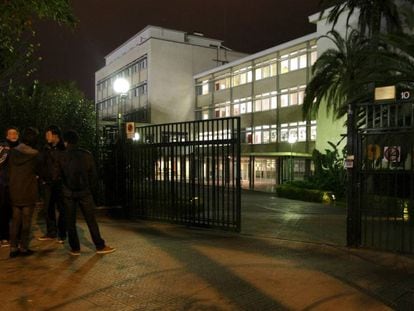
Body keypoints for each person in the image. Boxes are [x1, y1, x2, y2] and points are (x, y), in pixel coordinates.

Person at [59, 130, 115, 255]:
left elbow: (57, 175)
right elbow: (93, 176)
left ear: (66, 141)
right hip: (84, 192)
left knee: (70, 222)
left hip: (68, 193)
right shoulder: (86, 155)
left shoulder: (61, 156)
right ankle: (99, 245)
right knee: (91, 220)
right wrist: (93, 191)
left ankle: (75, 248)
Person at [8, 127, 40, 257]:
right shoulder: (35, 155)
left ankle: (13, 248)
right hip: (28, 190)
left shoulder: (12, 152)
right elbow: (38, 172)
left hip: (14, 190)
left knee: (15, 221)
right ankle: (23, 248)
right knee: (26, 221)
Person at [38, 125, 66, 243]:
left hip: (60, 183)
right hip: (48, 183)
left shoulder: (63, 149)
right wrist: (42, 178)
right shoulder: (45, 149)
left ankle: (62, 233)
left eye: (48, 134)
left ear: (56, 136)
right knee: (48, 208)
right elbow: (41, 165)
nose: (46, 137)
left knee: (62, 209)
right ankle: (51, 232)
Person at [0, 127, 19, 247]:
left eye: (15, 133)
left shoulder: (21, 148)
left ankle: (16, 237)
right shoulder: (3, 147)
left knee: (16, 211)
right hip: (3, 184)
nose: (13, 135)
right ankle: (3, 236)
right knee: (3, 210)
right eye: (10, 134)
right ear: (7, 136)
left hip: (17, 184)